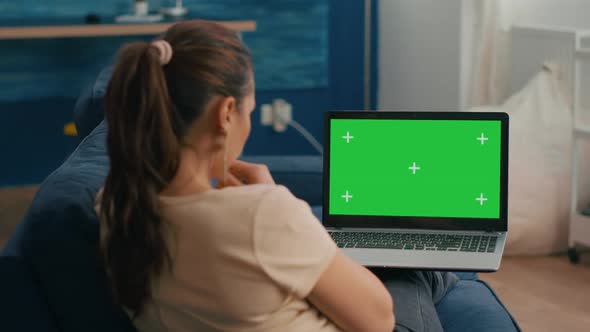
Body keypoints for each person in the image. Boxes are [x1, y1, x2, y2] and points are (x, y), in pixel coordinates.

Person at [97, 20, 457, 332]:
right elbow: (378, 322)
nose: (248, 124)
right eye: (249, 111)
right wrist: (279, 209)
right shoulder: (260, 215)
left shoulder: (116, 205)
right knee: (413, 272)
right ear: (225, 113)